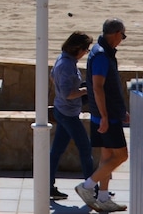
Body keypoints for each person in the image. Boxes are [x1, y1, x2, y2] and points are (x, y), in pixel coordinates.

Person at [74, 18, 129, 213]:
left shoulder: (103, 52)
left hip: (109, 114)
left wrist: (122, 112)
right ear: (116, 34)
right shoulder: (101, 56)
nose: (122, 39)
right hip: (105, 116)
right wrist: (106, 116)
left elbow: (109, 88)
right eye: (122, 35)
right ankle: (87, 186)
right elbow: (97, 87)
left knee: (107, 157)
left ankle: (103, 198)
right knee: (122, 155)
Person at [49, 32, 95, 200]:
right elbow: (69, 93)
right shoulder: (67, 66)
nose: (86, 52)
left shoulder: (65, 60)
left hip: (64, 111)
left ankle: (48, 185)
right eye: (86, 49)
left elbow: (52, 76)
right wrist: (86, 90)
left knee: (56, 151)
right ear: (78, 49)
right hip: (67, 114)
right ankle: (91, 188)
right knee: (85, 148)